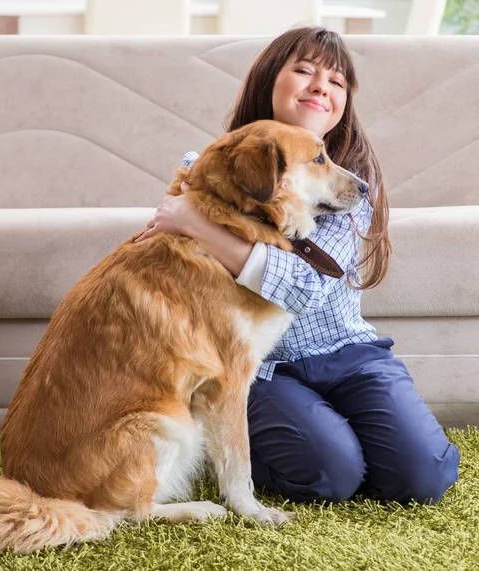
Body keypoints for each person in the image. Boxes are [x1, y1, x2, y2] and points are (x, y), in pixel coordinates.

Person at [134, 26, 459, 505]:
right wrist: (185, 222)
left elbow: (306, 288)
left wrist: (196, 224)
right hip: (264, 367)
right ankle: (307, 442)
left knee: (423, 476)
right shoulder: (208, 165)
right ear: (268, 79)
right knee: (330, 475)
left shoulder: (351, 183)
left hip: (348, 352)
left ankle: (336, 432)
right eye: (304, 70)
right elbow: (172, 263)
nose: (320, 86)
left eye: (337, 81)